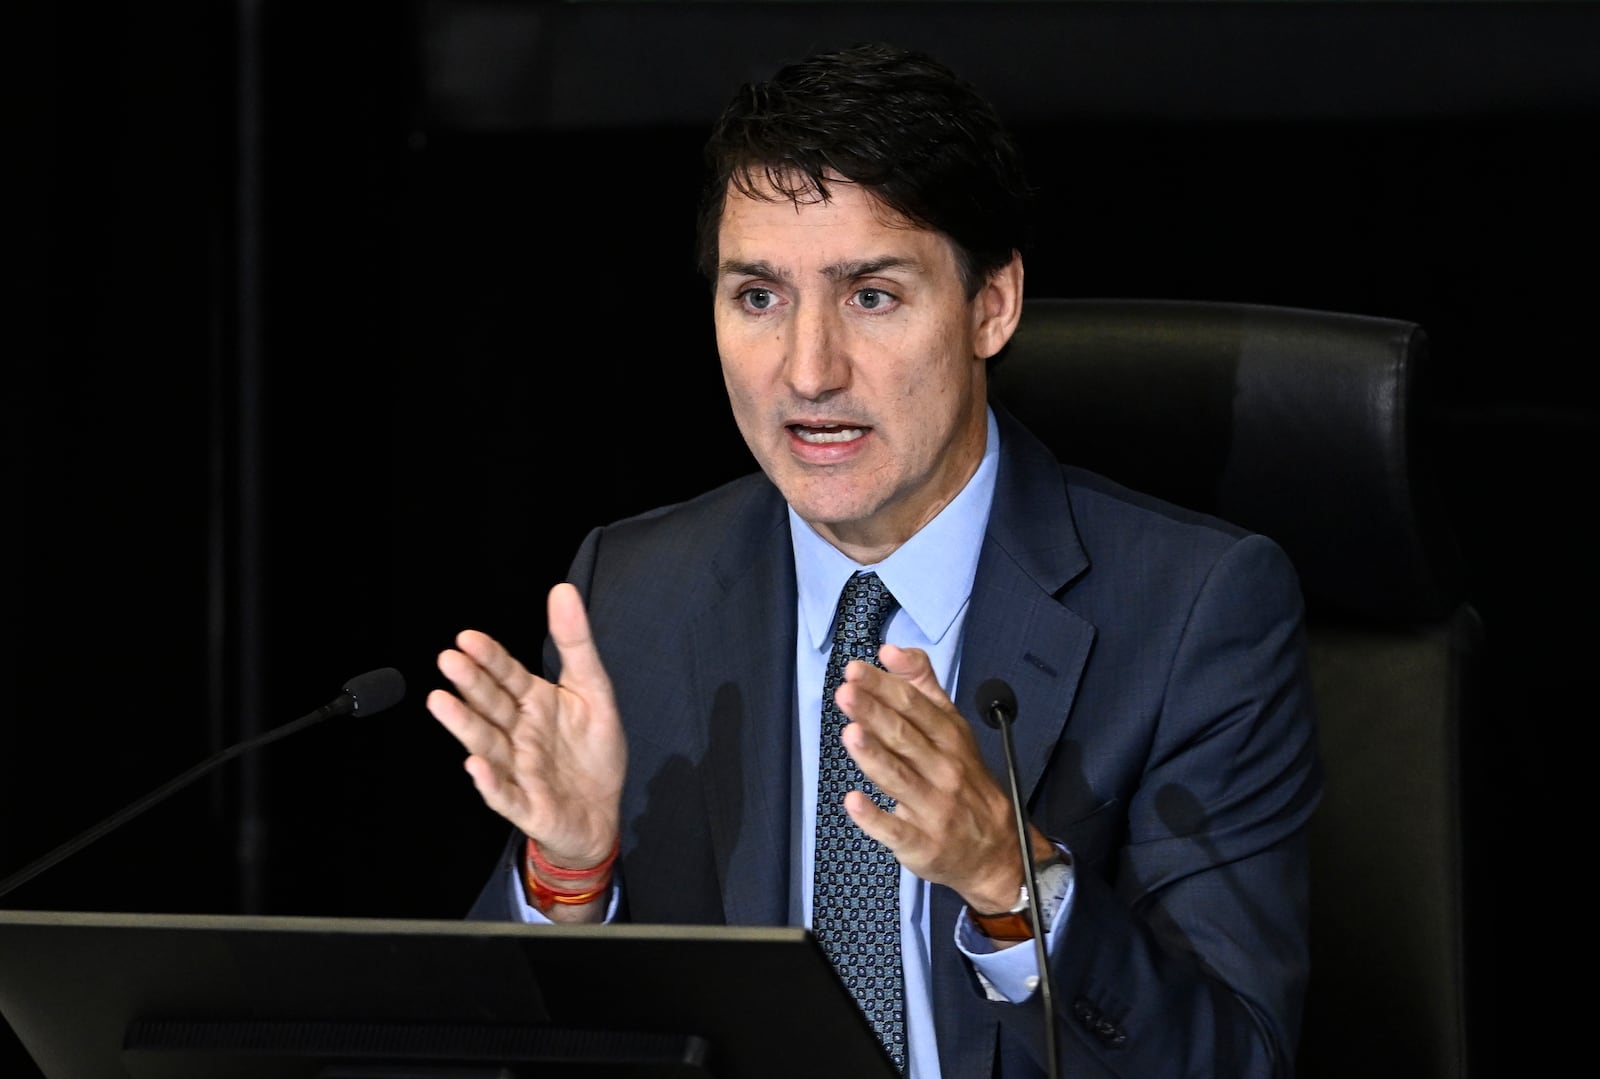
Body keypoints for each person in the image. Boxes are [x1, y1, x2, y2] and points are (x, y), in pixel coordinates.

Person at [427, 41, 1323, 1079]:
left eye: (871, 296)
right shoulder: (633, 593)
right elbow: (492, 1052)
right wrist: (569, 876)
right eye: (757, 297)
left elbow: (1236, 1061)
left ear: (991, 306)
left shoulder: (1194, 610)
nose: (808, 371)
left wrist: (1009, 880)